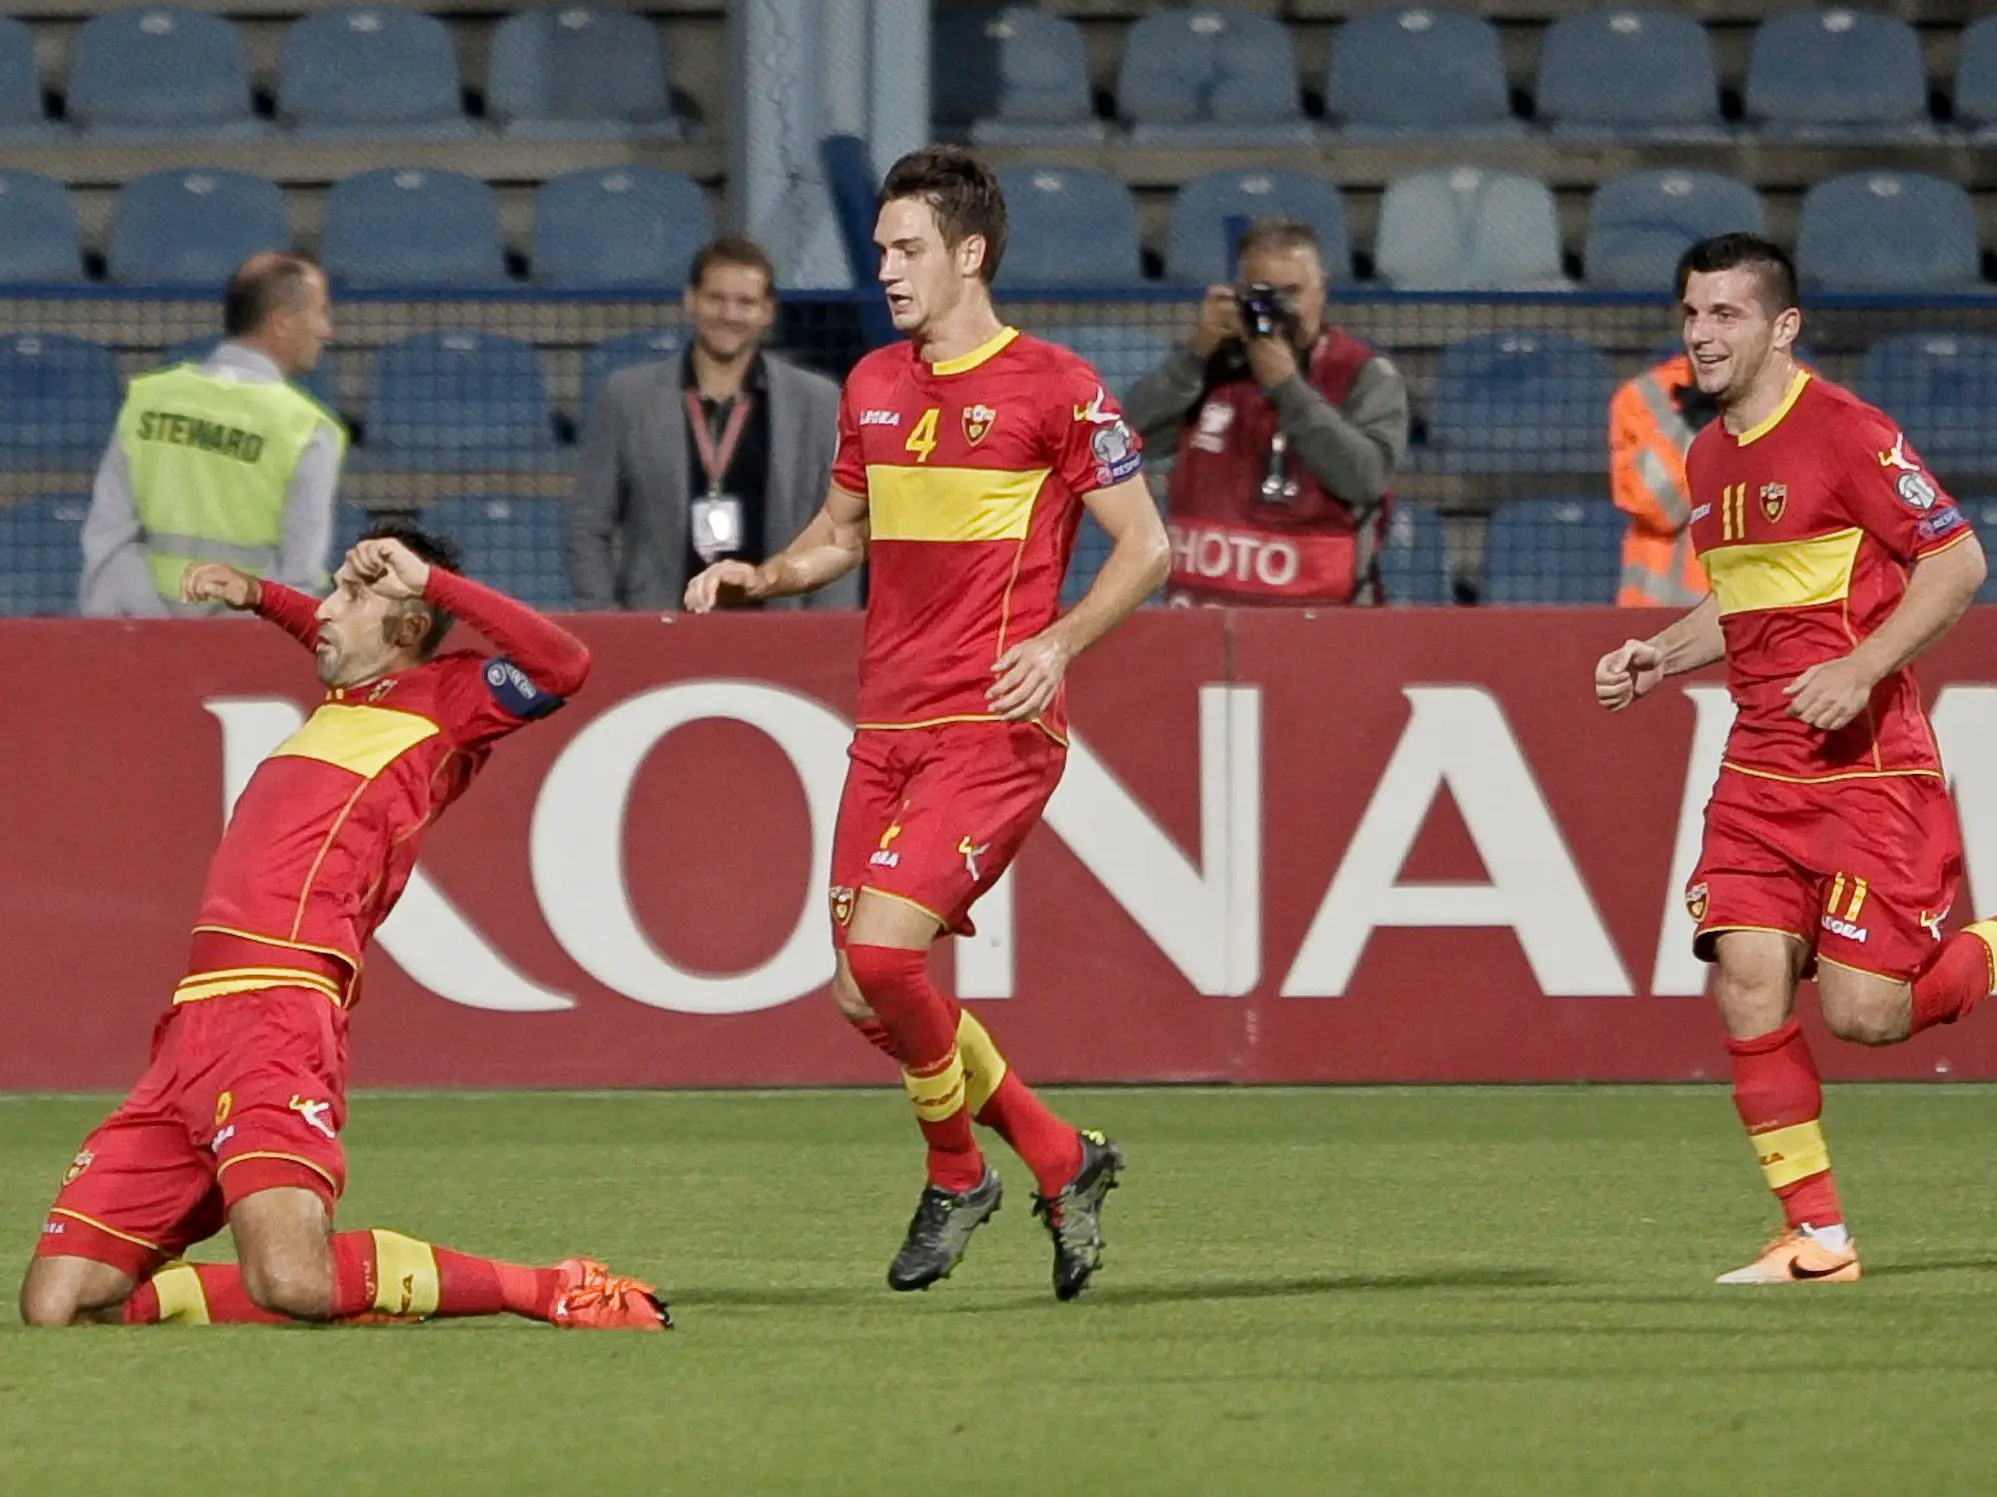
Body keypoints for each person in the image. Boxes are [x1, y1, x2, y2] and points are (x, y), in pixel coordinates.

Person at [685, 145, 1170, 1300]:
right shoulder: (871, 385)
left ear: (969, 254)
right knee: (865, 993)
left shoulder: (1058, 387)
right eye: (881, 250)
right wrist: (766, 572)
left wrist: (1055, 643)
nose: (886, 267)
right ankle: (1059, 1157)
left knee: (880, 957)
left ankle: (958, 1171)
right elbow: (841, 537)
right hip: (885, 730)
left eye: (906, 249)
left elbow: (1146, 548)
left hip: (991, 733)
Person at [23, 521, 666, 1331]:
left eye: (352, 592)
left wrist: (430, 582)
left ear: (406, 625)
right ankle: (353, 1285)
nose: (325, 607)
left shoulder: (448, 701)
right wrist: (261, 597)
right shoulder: (349, 704)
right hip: (190, 1029)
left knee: (292, 1280)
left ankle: (552, 1287)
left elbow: (564, 665)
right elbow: (333, 631)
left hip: (277, 1016)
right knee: (58, 1303)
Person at [1593, 233, 1995, 1285]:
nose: (1699, 334)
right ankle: (1816, 1237)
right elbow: (1743, 601)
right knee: (1745, 977)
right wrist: (1660, 654)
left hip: (1867, 771)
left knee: (1867, 1016)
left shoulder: (1845, 433)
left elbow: (1956, 561)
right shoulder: (1708, 453)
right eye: (1689, 313)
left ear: (1781, 327)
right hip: (1757, 771)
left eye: (1724, 314)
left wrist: (1860, 668)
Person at [1122, 216, 1408, 606]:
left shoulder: (1364, 374)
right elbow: (1123, 443)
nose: (1281, 307)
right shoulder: (1214, 370)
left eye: (1293, 292)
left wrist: (1287, 388)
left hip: (1323, 629)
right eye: (1266, 293)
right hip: (1199, 624)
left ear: (1321, 289)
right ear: (1240, 293)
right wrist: (1194, 357)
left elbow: (1365, 479)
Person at [571, 234, 854, 612]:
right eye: (716, 298)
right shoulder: (627, 397)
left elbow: (837, 528)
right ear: (691, 300)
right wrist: (604, 620)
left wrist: (829, 632)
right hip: (659, 629)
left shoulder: (816, 401)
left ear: (768, 311)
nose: (730, 314)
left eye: (746, 302)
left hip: (779, 633)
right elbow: (588, 522)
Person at [80, 252, 344, 617]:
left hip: (143, 637)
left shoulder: (148, 399)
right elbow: (299, 575)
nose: (326, 330)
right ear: (282, 322)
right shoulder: (306, 428)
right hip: (244, 649)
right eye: (320, 312)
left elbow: (107, 538)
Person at [1611, 350, 1714, 607]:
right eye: (1694, 314)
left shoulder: (1801, 393)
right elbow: (1655, 508)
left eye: (1727, 315)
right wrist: (1691, 428)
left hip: (1770, 625)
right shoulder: (1647, 396)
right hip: (1662, 622)